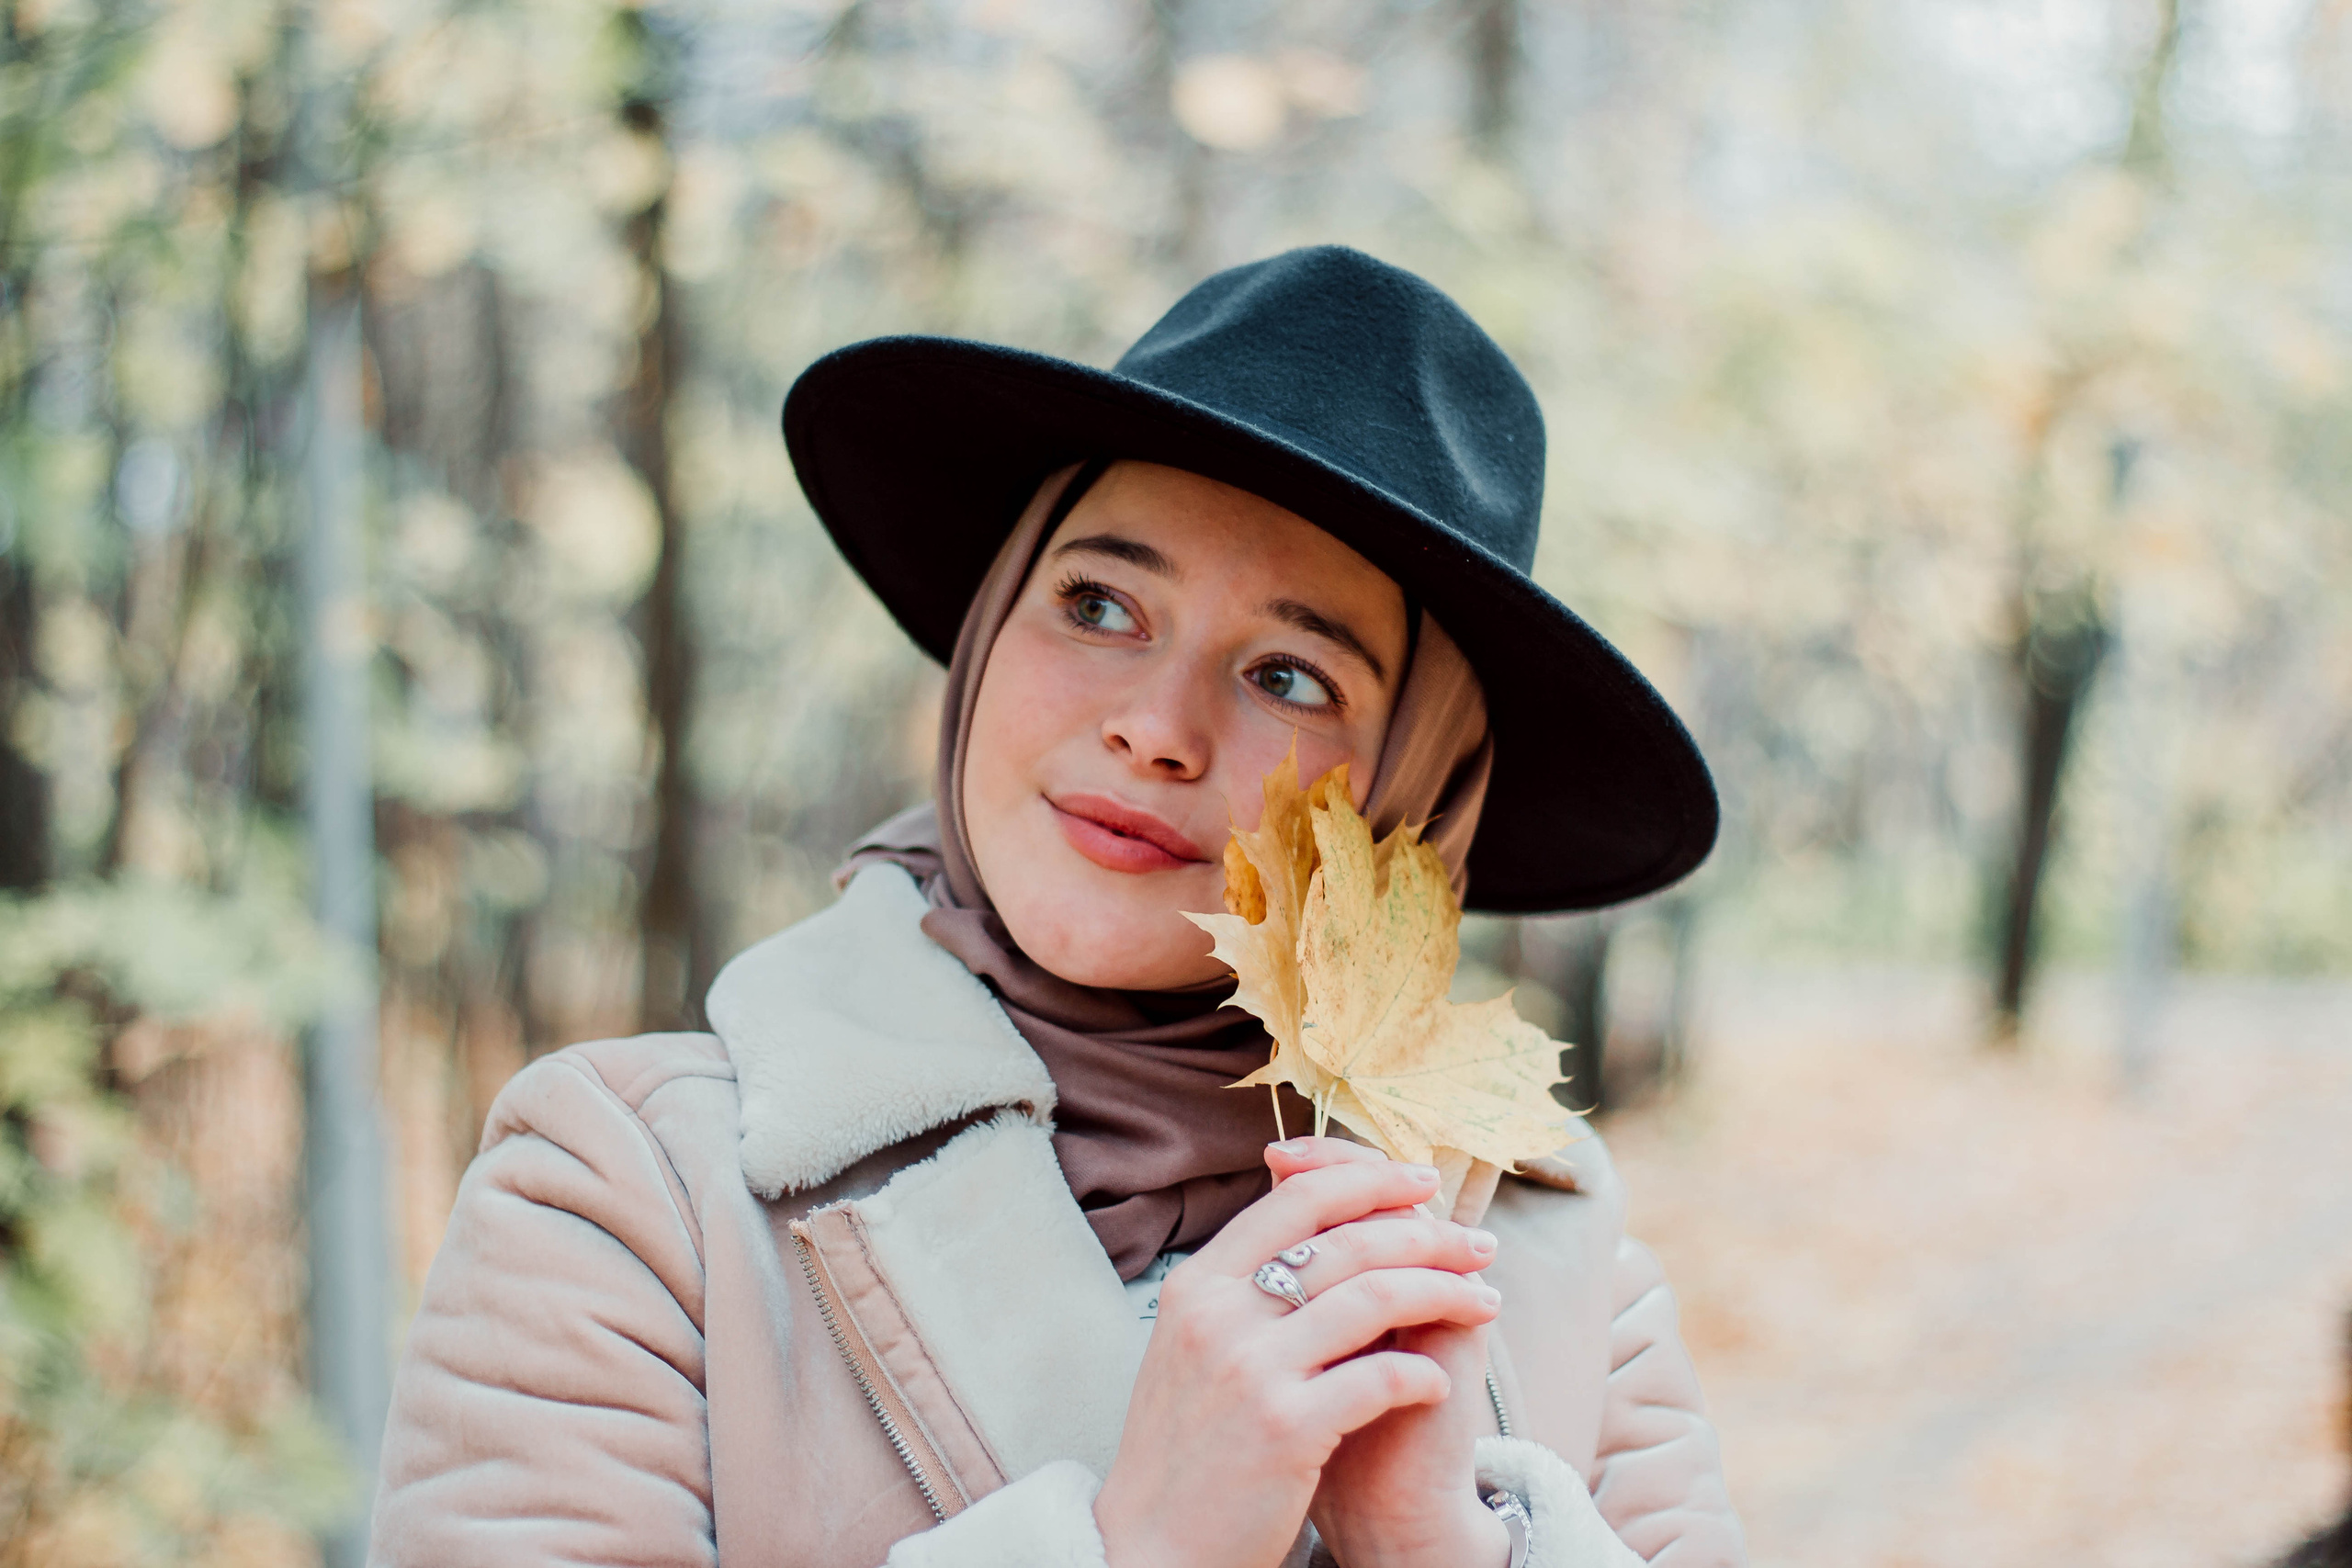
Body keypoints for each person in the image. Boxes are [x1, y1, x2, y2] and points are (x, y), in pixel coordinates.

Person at [368, 245, 1746, 1568]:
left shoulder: (1566, 1285)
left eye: (1288, 678)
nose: (1155, 728)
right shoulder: (628, 1202)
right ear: (985, 633)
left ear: (1416, 799)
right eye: (1098, 604)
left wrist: (1444, 1551)